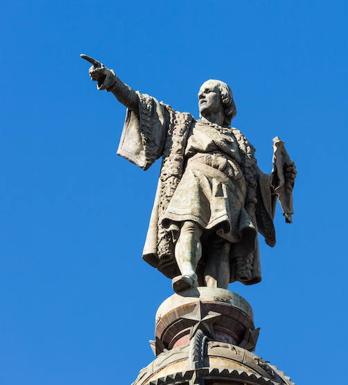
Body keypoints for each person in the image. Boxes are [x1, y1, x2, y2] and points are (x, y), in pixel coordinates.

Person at [81, 54, 296, 293]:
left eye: (207, 91)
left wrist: (280, 176)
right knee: (190, 225)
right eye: (199, 93)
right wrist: (113, 83)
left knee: (222, 244)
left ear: (223, 98)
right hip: (197, 177)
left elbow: (259, 185)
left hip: (231, 188)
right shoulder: (185, 124)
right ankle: (189, 273)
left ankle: (217, 292)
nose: (200, 95)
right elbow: (143, 105)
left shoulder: (239, 142)